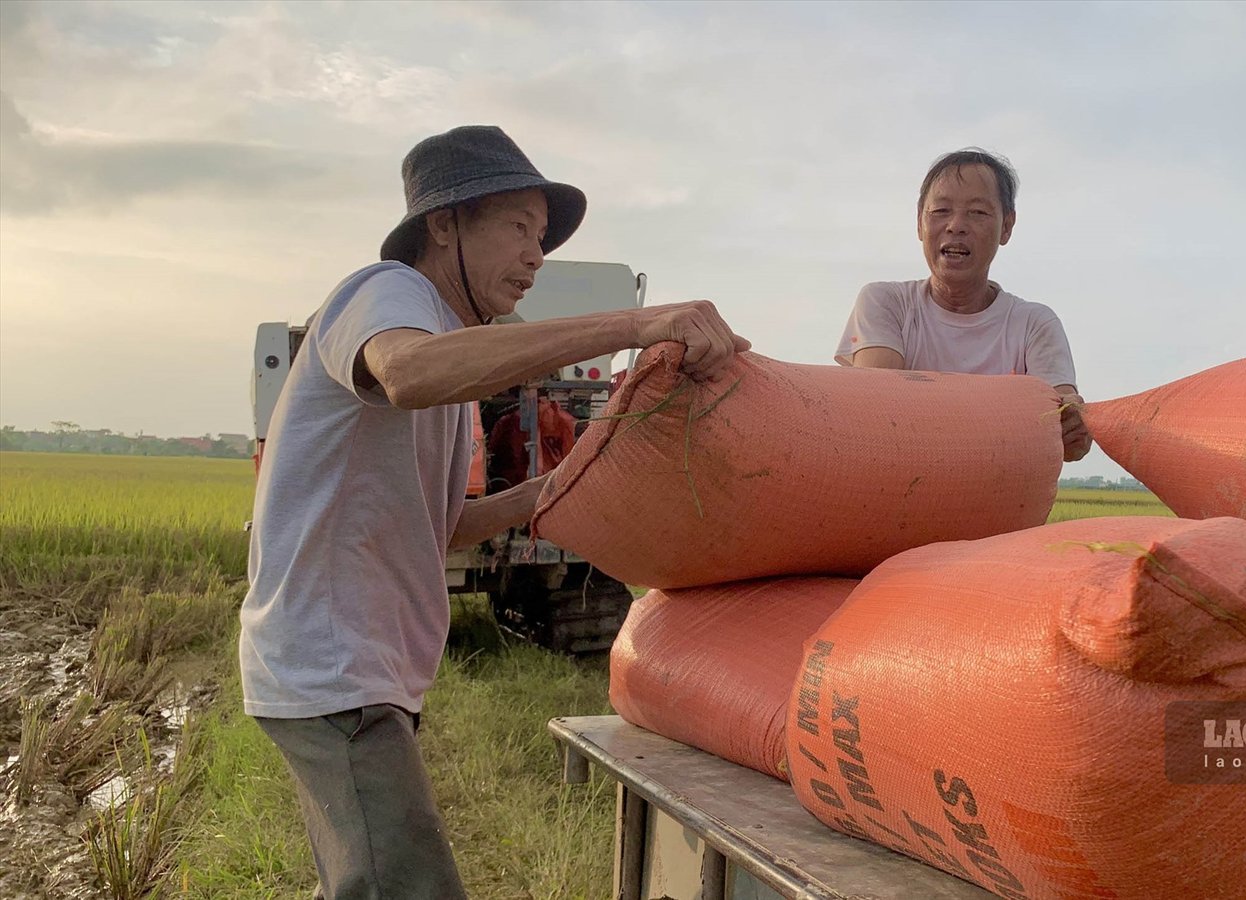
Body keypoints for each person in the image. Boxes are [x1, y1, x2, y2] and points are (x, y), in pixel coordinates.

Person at [239, 125, 747, 899]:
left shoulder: (450, 343)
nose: (537, 255)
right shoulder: (385, 294)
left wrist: (563, 483)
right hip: (333, 671)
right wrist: (634, 323)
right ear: (443, 226)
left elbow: (442, 529)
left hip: (363, 674)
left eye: (540, 236)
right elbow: (406, 373)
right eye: (518, 228)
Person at [835, 148, 1090, 461]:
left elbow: (1061, 424)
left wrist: (1073, 427)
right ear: (919, 224)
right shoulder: (885, 303)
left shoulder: (1034, 324)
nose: (956, 225)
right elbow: (880, 410)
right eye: (941, 211)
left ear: (1007, 227)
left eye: (978, 213)